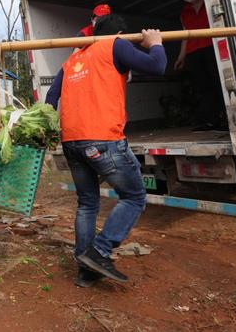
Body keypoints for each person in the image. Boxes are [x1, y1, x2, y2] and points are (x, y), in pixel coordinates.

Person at [46, 15, 166, 287]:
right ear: (120, 33)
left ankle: (85, 270)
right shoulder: (115, 44)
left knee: (87, 204)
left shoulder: (72, 60)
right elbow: (157, 66)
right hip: (102, 139)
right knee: (134, 196)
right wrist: (155, 43)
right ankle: (98, 252)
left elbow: (51, 97)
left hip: (71, 142)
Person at [173, 0, 226, 131]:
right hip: (193, 52)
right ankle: (211, 121)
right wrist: (181, 57)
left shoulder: (211, 5)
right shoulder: (184, 12)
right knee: (203, 87)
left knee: (218, 82)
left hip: (211, 48)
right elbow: (185, 36)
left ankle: (225, 119)